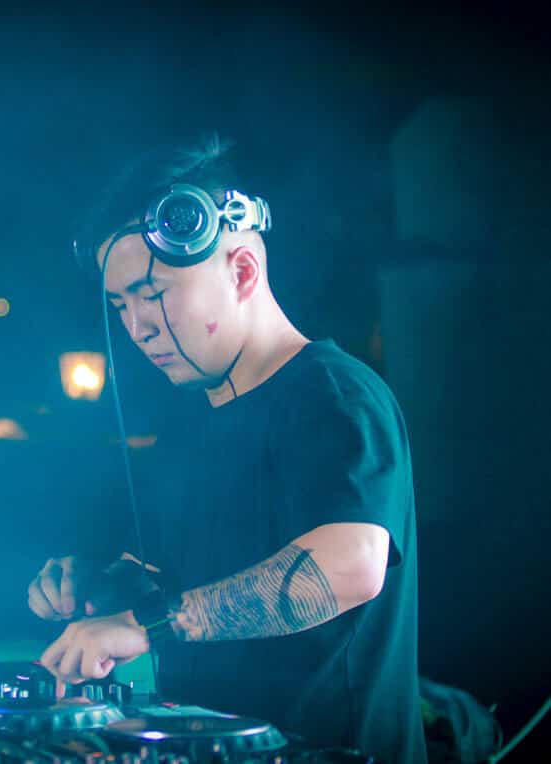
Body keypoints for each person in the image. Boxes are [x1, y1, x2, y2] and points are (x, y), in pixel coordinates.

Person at [28, 135, 428, 764]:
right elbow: (170, 580)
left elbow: (351, 565)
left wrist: (144, 627)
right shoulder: (189, 422)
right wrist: (96, 589)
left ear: (242, 271)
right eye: (121, 304)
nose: (137, 326)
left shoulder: (334, 396)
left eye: (153, 294)